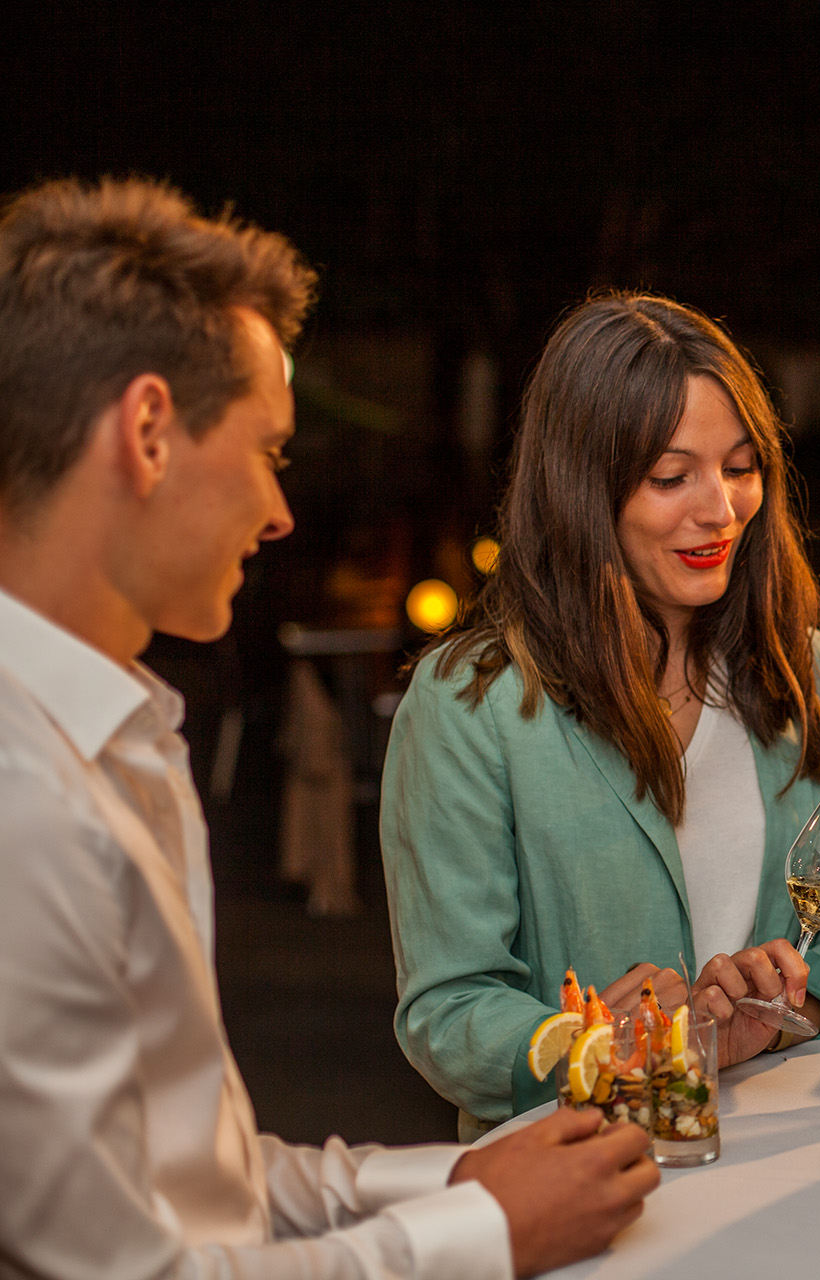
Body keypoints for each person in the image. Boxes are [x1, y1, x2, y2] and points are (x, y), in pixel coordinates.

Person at [0, 177, 657, 1279]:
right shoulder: (24, 796)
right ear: (149, 431)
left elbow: (184, 1171)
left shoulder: (110, 737)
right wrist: (485, 1235)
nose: (280, 510)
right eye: (270, 450)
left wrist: (462, 1178)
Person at [380, 291, 820, 1136]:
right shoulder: (468, 707)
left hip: (794, 1159)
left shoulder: (812, 674)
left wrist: (772, 1019)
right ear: (582, 490)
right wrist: (583, 1041)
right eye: (671, 477)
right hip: (589, 1167)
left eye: (741, 468)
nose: (721, 508)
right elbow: (448, 1011)